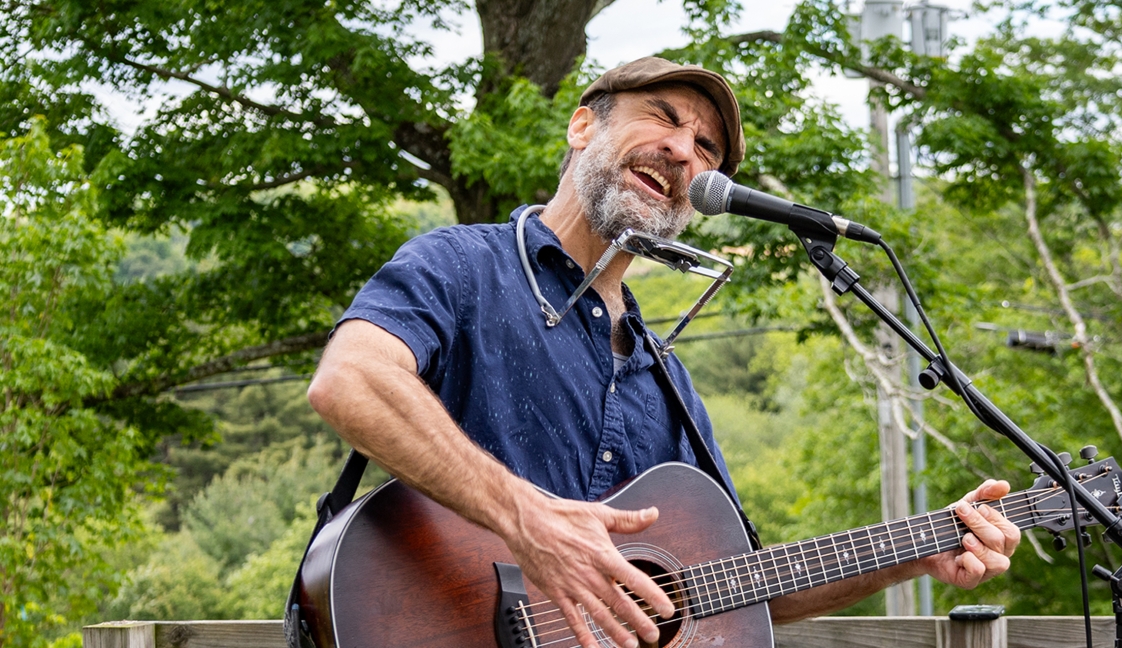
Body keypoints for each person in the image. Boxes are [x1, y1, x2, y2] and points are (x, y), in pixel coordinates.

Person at [307, 56, 1020, 648]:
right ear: (583, 124)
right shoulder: (462, 264)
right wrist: (530, 519)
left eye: (708, 149)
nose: (684, 153)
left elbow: (736, 588)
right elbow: (351, 381)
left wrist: (912, 553)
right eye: (664, 118)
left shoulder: (667, 379)